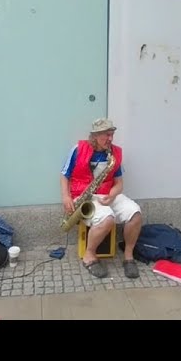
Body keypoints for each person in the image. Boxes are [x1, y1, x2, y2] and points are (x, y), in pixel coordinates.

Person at [60, 118, 143, 279]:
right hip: (84, 196)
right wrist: (66, 197)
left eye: (112, 135)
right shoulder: (78, 149)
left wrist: (112, 195)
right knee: (107, 219)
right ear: (95, 136)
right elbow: (64, 176)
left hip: (107, 194)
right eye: (106, 135)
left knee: (136, 214)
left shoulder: (115, 153)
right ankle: (89, 256)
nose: (110, 139)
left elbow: (119, 183)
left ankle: (128, 257)